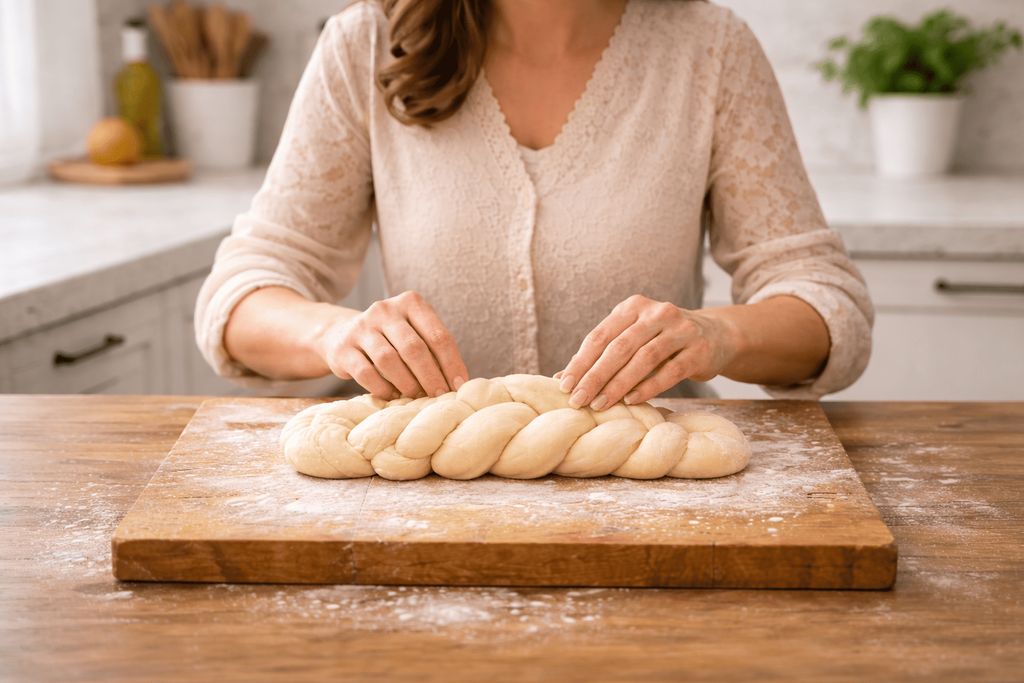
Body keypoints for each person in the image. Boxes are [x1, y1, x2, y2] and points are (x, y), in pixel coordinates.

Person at [195, 0, 873, 410]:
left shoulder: (711, 52)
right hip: (427, 503)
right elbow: (240, 295)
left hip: (653, 502)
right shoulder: (365, 48)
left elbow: (827, 304)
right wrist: (332, 335)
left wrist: (719, 336)